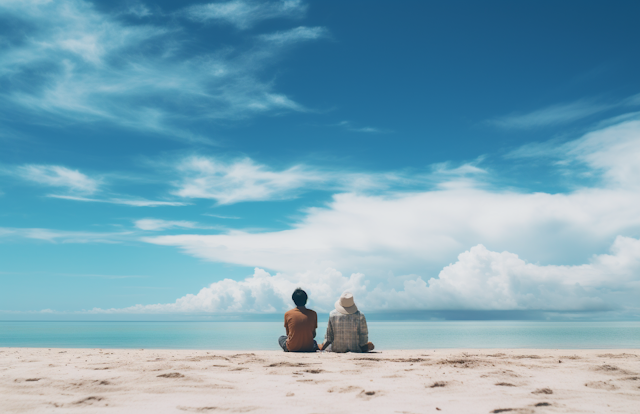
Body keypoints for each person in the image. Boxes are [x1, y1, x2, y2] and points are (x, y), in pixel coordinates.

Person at [278, 288, 318, 352]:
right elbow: (313, 335)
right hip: (309, 348)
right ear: (306, 300)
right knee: (314, 342)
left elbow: (288, 334)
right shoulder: (313, 314)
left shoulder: (288, 314)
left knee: (281, 338)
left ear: (294, 300)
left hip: (292, 348)